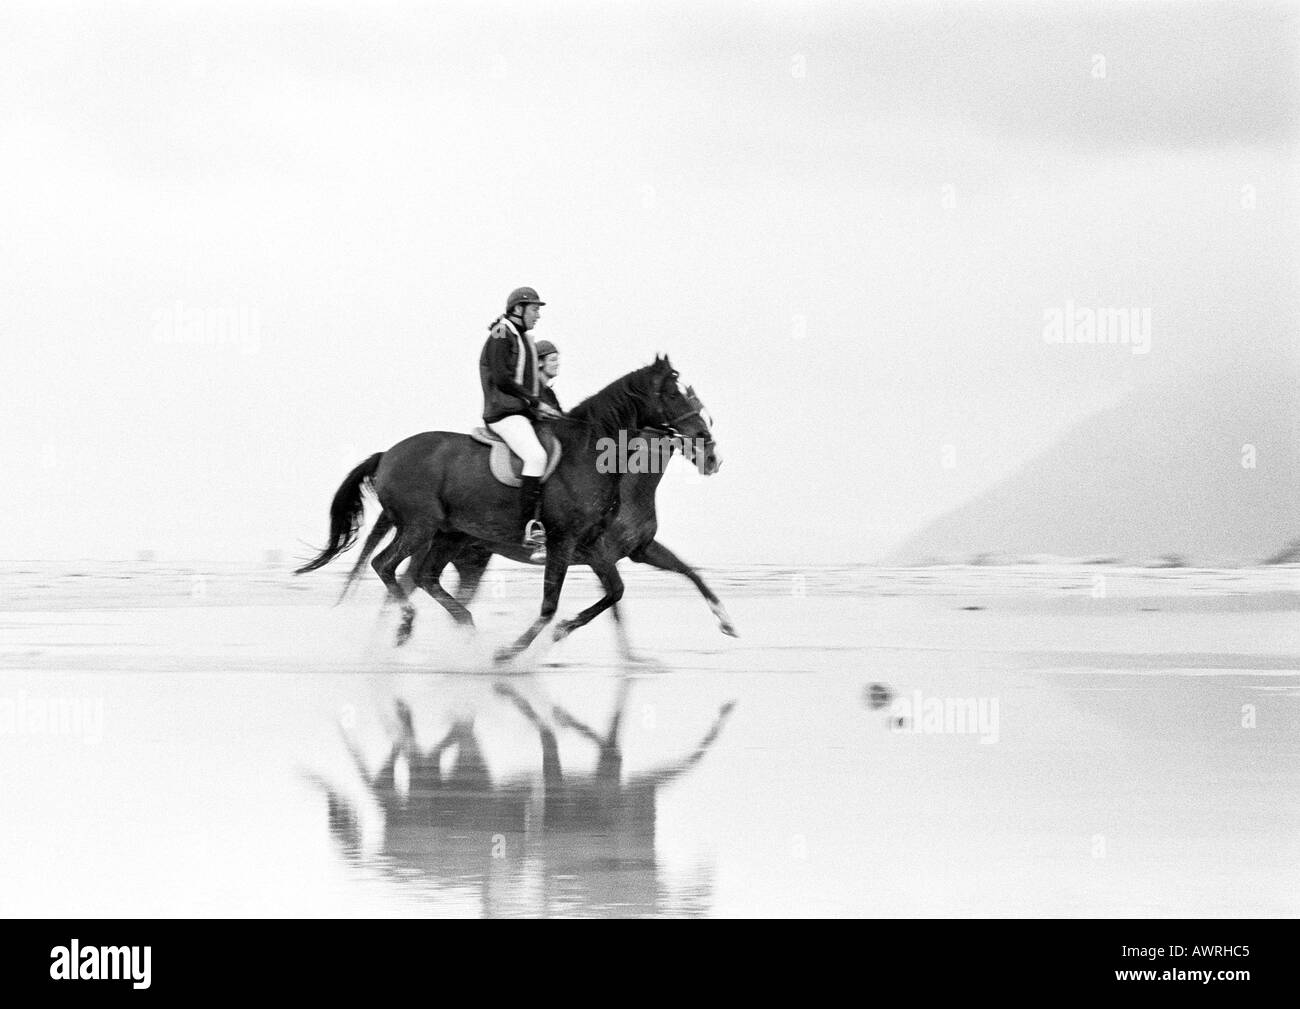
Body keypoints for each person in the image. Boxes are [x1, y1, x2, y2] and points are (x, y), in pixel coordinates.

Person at [478, 287, 559, 560]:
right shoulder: (502, 332)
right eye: (535, 309)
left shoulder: (522, 336)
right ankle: (531, 529)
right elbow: (501, 378)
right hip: (503, 413)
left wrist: (541, 409)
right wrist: (535, 403)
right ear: (518, 309)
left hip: (520, 412)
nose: (538, 315)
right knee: (535, 457)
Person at [535, 339, 562, 413]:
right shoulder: (531, 389)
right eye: (553, 360)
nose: (557, 364)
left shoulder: (550, 394)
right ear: (539, 362)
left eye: (557, 360)